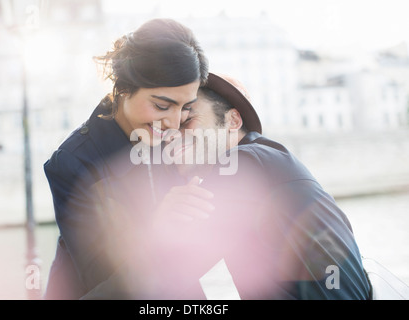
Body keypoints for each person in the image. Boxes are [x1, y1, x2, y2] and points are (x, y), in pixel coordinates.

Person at [154, 72, 373, 299]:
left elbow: (169, 272)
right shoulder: (268, 158)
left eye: (187, 121)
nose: (171, 136)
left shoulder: (244, 163)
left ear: (233, 121)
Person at [42, 18, 209, 299]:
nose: (173, 121)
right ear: (125, 87)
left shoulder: (169, 137)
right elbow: (103, 279)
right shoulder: (72, 163)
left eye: (185, 107)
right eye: (161, 105)